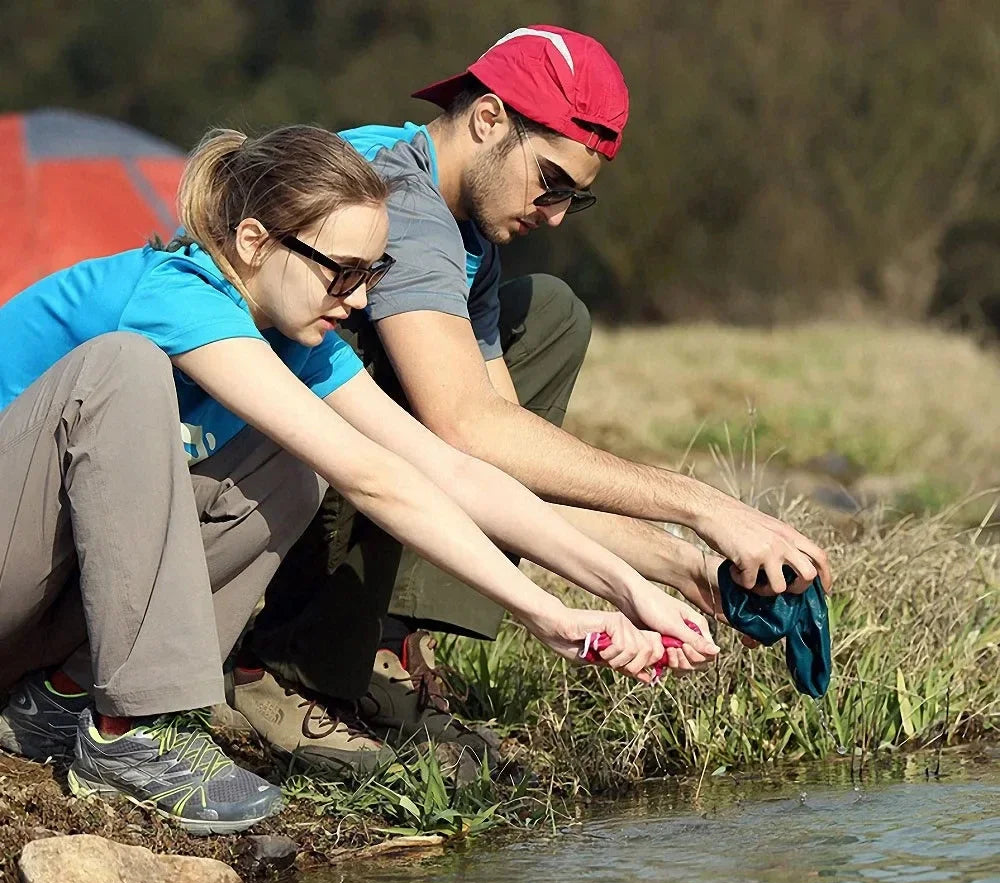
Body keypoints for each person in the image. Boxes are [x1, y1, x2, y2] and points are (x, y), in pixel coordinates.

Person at [0, 123, 718, 829]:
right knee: (122, 369)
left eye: (371, 274)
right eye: (341, 272)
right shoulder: (172, 293)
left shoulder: (294, 339)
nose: (360, 300)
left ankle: (62, 700)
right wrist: (543, 612)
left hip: (37, 613)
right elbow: (374, 482)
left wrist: (624, 592)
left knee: (293, 468)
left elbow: (443, 471)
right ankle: (135, 733)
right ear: (253, 243)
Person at [237, 25, 833, 773]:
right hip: (216, 483)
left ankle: (383, 646)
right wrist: (703, 505)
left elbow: (507, 461)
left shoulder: (468, 231)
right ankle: (290, 670)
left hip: (327, 465)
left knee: (547, 315)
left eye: (573, 201)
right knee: (398, 373)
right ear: (488, 119)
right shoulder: (399, 201)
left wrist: (684, 568)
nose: (553, 215)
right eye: (550, 181)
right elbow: (465, 429)